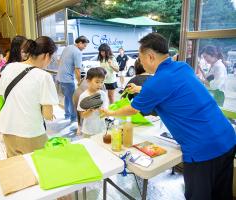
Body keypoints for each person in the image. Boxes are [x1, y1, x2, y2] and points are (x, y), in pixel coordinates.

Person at [101, 33, 235, 200]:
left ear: (150, 57)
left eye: (141, 59)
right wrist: (141, 89)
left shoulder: (156, 82)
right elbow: (175, 90)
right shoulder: (183, 67)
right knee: (222, 194)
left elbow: (132, 109)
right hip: (227, 138)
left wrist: (110, 112)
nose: (140, 63)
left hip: (203, 149)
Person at [0, 36, 59, 158]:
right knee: (38, 168)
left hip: (7, 128)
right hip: (31, 132)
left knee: (17, 168)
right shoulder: (43, 76)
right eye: (51, 58)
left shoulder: (8, 68)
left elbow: (2, 95)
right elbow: (47, 115)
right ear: (46, 56)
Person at [57, 36, 89, 123]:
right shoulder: (77, 52)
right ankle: (73, 118)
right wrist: (79, 82)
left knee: (67, 97)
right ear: (80, 43)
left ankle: (67, 115)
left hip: (60, 78)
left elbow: (59, 61)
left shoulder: (68, 47)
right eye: (84, 46)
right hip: (67, 79)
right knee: (73, 100)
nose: (84, 48)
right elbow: (77, 70)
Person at [77, 67, 108, 138]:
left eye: (102, 82)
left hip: (101, 129)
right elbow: (82, 115)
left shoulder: (103, 94)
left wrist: (99, 108)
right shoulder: (83, 96)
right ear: (88, 81)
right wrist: (90, 110)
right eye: (97, 82)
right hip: (88, 130)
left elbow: (105, 114)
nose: (100, 85)